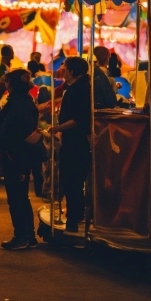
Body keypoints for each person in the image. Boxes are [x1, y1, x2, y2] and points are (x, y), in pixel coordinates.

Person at [0, 68, 39, 249]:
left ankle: (21, 236)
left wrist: (0, 146)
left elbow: (11, 131)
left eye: (7, 82)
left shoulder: (18, 104)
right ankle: (28, 236)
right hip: (21, 155)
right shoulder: (25, 102)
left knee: (16, 197)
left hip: (16, 156)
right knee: (21, 196)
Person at [51, 56, 91, 233]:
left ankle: (73, 220)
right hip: (75, 141)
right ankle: (76, 216)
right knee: (73, 181)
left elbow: (80, 119)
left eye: (65, 69)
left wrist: (58, 127)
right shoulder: (79, 88)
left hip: (75, 141)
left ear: (73, 72)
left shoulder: (78, 90)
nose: (63, 72)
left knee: (71, 181)